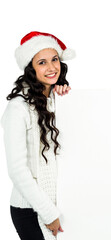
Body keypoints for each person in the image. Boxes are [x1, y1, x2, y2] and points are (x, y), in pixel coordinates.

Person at [1, 31, 75, 240]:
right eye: (42, 62)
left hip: (59, 204)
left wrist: (66, 101)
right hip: (30, 210)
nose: (51, 68)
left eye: (54, 60)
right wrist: (48, 213)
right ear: (30, 69)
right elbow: (17, 170)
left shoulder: (55, 100)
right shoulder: (18, 109)